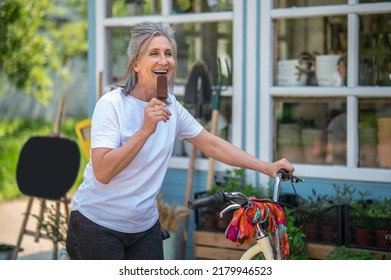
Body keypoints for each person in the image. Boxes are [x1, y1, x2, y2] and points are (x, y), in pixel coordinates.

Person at [66, 21, 295, 260]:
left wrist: (266, 167)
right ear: (135, 64)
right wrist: (145, 130)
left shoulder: (172, 107)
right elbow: (102, 172)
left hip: (144, 228)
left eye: (169, 54)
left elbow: (213, 144)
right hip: (97, 226)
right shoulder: (111, 105)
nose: (164, 60)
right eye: (153, 53)